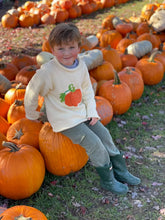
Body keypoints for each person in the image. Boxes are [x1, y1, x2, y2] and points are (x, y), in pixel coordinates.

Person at [24, 23, 141, 195]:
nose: (66, 53)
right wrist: (32, 113)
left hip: (81, 113)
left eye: (71, 47)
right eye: (60, 48)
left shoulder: (80, 66)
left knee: (105, 136)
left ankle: (120, 171)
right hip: (64, 120)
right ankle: (107, 180)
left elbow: (86, 90)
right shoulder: (48, 72)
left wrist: (92, 112)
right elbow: (31, 91)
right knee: (95, 144)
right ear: (52, 49)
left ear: (79, 47)